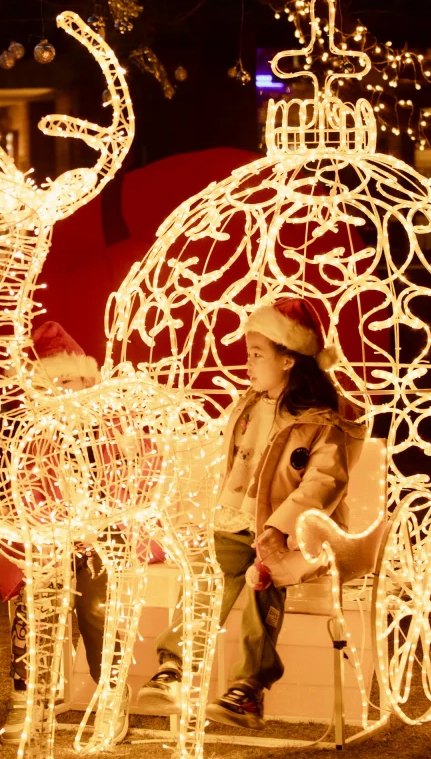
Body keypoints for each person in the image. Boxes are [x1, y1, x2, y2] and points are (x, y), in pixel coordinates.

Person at [136, 296, 366, 729]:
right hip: (237, 521)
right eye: (248, 354)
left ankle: (248, 689)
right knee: (210, 577)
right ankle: (175, 669)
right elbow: (238, 463)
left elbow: (323, 483)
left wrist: (280, 529)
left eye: (257, 355)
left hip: (293, 533)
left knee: (264, 582)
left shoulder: (321, 423)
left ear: (288, 360)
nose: (248, 364)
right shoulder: (249, 405)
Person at [0, 321, 137, 745]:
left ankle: (111, 693)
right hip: (47, 539)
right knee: (40, 593)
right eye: (59, 382)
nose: (70, 390)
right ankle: (28, 697)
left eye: (76, 380)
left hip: (102, 537)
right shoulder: (33, 437)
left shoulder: (112, 431)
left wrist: (96, 525)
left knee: (96, 602)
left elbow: (129, 484)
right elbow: (23, 493)